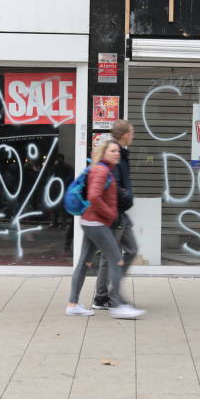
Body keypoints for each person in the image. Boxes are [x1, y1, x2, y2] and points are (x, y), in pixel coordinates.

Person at [66, 139, 145, 319]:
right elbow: (94, 196)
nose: (117, 153)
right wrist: (109, 213)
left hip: (90, 222)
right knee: (117, 260)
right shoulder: (101, 171)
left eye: (117, 151)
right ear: (103, 153)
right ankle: (117, 305)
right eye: (112, 151)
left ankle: (73, 304)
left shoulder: (104, 170)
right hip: (97, 223)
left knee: (84, 262)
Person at [91, 120, 138, 311]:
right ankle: (106, 296)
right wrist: (125, 197)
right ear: (125, 134)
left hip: (119, 213)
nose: (133, 135)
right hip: (115, 213)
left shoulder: (121, 152)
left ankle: (105, 295)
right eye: (132, 132)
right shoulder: (116, 152)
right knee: (114, 254)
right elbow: (113, 184)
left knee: (124, 251)